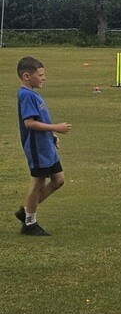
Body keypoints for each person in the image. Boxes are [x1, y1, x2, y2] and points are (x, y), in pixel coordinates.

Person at [14, 56, 72, 236]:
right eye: (40, 75)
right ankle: (30, 224)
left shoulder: (32, 93)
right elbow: (29, 123)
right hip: (37, 148)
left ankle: (26, 211)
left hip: (46, 145)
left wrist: (51, 135)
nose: (43, 78)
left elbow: (40, 119)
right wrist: (56, 127)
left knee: (58, 180)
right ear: (27, 76)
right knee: (38, 182)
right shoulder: (26, 95)